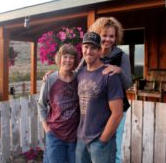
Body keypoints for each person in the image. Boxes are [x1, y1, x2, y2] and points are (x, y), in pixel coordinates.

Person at [86, 17, 132, 163]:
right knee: (94, 145)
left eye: (111, 36)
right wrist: (54, 74)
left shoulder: (121, 56)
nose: (108, 39)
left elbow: (128, 84)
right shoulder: (91, 53)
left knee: (115, 147)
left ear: (116, 37)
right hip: (96, 109)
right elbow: (77, 74)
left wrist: (119, 70)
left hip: (117, 110)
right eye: (104, 35)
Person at [75, 32, 124, 163]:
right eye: (86, 47)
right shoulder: (80, 73)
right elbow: (64, 75)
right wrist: (51, 74)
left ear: (99, 50)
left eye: (93, 48)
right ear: (82, 48)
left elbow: (118, 113)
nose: (88, 51)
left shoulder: (110, 75)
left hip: (100, 142)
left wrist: (103, 139)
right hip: (81, 139)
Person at [37, 44, 80, 163]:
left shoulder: (78, 78)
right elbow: (41, 105)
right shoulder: (50, 79)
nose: (68, 60)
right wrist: (47, 129)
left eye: (71, 57)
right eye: (65, 57)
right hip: (55, 134)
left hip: (74, 135)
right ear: (59, 59)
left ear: (75, 60)